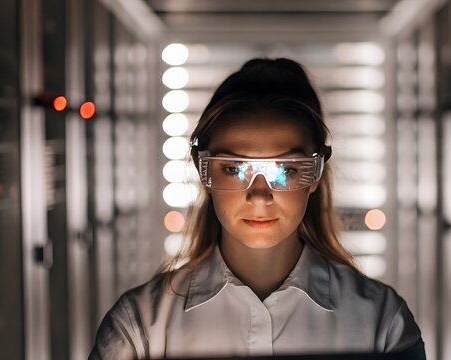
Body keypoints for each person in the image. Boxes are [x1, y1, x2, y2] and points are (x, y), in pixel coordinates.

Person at [89, 58, 424, 359]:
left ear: (316, 173)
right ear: (203, 170)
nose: (259, 196)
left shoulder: (380, 321)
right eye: (235, 169)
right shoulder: (139, 327)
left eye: (286, 170)